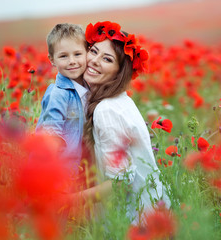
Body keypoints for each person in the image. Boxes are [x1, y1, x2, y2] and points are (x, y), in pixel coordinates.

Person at [74, 21, 171, 225]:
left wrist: (68, 201)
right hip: (153, 215)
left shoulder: (106, 110)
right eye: (93, 51)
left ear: (119, 72)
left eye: (107, 59)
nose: (94, 61)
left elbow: (120, 184)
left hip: (134, 223)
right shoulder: (121, 100)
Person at [35, 23, 89, 173]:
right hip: (62, 169)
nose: (72, 61)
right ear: (52, 60)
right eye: (63, 56)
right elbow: (51, 134)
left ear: (87, 52)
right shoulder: (58, 94)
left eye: (77, 54)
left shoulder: (89, 87)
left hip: (81, 167)